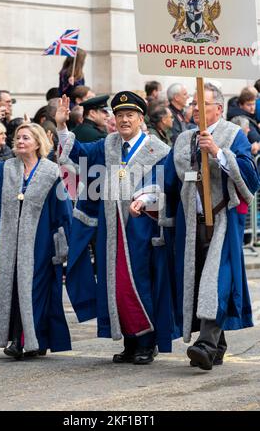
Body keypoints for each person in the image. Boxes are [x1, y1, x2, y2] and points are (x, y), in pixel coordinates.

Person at [57, 91, 179, 365]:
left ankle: (147, 342)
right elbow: (78, 153)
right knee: (115, 284)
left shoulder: (157, 149)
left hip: (141, 228)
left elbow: (166, 185)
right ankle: (129, 340)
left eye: (130, 115)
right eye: (120, 115)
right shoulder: (108, 144)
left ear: (140, 119)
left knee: (140, 283)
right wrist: (63, 126)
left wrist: (146, 198)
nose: (124, 120)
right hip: (111, 231)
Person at [164, 83, 260, 371]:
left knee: (215, 282)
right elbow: (169, 180)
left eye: (202, 104)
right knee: (195, 282)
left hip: (221, 221)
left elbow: (250, 178)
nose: (196, 109)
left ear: (218, 108)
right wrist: (146, 198)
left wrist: (218, 152)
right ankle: (217, 345)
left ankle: (205, 345)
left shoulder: (232, 135)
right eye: (194, 104)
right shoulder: (183, 139)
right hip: (191, 224)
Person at [0, 122, 72, 359]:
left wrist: (62, 245)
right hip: (6, 245)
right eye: (18, 138)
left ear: (38, 143)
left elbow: (62, 211)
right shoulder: (3, 169)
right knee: (9, 290)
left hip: (39, 246)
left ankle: (31, 339)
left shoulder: (52, 172)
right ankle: (16, 339)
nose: (20, 141)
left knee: (34, 291)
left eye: (26, 138)